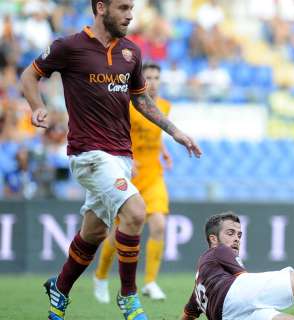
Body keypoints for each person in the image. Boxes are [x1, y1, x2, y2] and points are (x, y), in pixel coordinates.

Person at [19, 1, 202, 319]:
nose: (130, 14)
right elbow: (28, 76)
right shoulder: (70, 46)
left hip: (121, 156)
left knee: (94, 232)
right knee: (135, 211)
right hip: (89, 154)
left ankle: (60, 290)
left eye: (131, 7)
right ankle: (128, 296)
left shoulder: (131, 52)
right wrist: (36, 105)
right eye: (123, 7)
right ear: (100, 8)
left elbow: (142, 99)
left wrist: (175, 132)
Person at [93, 62, 172, 302]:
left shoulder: (165, 106)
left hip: (154, 174)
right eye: (148, 77)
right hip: (129, 175)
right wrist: (126, 157)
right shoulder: (127, 104)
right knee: (118, 232)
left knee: (159, 224)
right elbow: (115, 132)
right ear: (140, 80)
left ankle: (150, 282)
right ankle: (101, 275)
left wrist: (164, 150)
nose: (153, 82)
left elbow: (155, 132)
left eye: (157, 77)